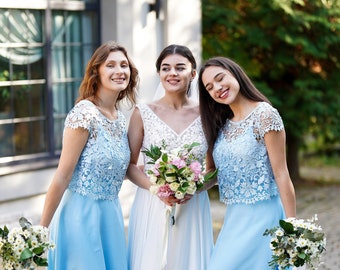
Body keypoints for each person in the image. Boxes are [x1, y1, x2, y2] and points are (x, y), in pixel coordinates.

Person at [39, 41, 139, 270]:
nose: (119, 71)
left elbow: (120, 170)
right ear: (97, 72)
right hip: (81, 218)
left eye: (124, 65)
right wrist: (41, 230)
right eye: (110, 65)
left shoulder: (119, 118)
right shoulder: (84, 113)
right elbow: (62, 176)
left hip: (111, 217)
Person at [198, 56, 296, 270]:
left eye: (220, 78)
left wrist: (292, 227)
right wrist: (186, 189)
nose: (217, 88)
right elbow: (213, 176)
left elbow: (282, 174)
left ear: (235, 73)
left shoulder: (265, 115)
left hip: (265, 218)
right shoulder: (221, 126)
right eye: (210, 87)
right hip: (234, 219)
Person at [126, 44, 214, 270]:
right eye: (166, 68)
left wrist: (191, 189)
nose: (172, 73)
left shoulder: (208, 114)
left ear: (193, 73)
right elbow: (130, 166)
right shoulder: (142, 112)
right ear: (159, 74)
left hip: (192, 205)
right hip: (151, 203)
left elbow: (214, 171)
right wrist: (159, 190)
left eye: (180, 67)